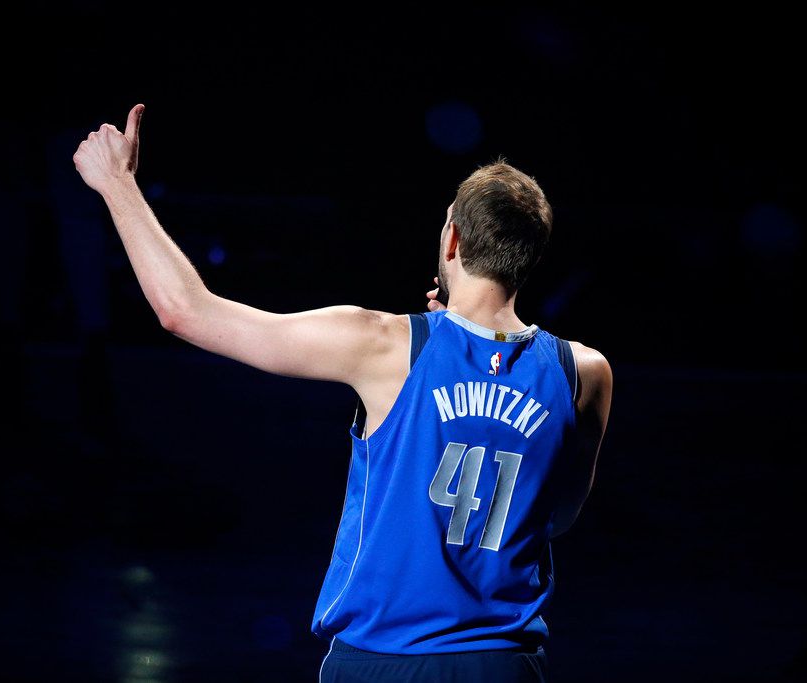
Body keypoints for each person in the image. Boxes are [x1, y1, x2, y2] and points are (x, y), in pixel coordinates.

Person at [73, 104, 613, 683]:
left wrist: (117, 185)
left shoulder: (384, 345)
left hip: (385, 662)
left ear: (452, 239)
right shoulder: (583, 372)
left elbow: (186, 312)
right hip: (506, 665)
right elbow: (554, 517)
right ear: (528, 257)